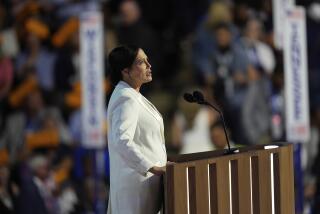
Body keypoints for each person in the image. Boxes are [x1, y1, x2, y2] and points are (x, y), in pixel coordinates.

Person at [106, 45, 167, 214]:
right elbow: (122, 140)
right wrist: (152, 166)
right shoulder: (126, 98)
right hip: (135, 191)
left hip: (144, 187)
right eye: (141, 62)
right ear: (126, 71)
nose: (149, 65)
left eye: (147, 60)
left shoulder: (132, 95)